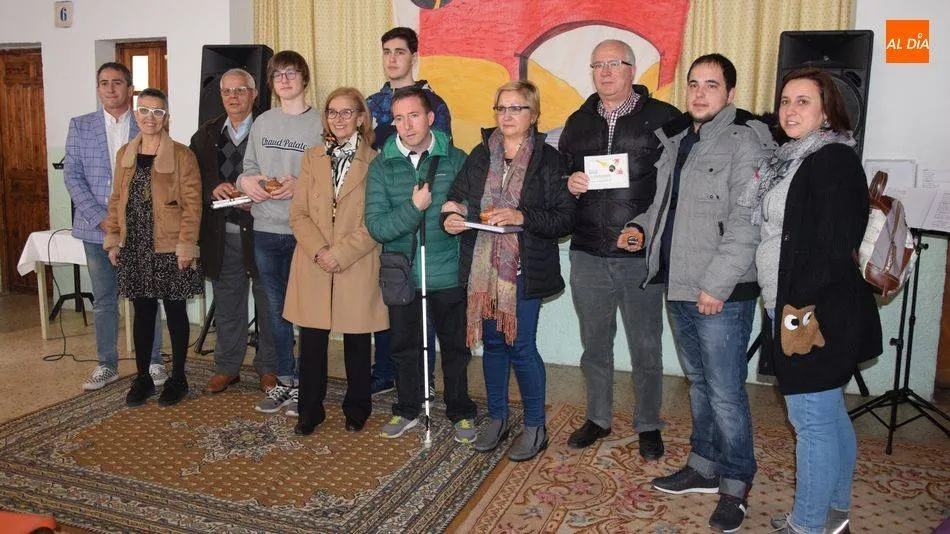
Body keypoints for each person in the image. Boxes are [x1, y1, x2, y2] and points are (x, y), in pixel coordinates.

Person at [622, 54, 776, 532]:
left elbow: (748, 224)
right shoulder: (678, 140)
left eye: (712, 85)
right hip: (680, 283)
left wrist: (717, 284)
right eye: (693, 84)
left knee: (727, 391)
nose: (700, 93)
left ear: (730, 92)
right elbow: (663, 206)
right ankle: (704, 464)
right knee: (700, 382)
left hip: (720, 291)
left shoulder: (745, 142)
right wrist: (638, 227)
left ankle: (735, 482)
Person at [738, 68, 882, 534]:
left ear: (826, 111)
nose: (790, 110)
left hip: (812, 311)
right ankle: (834, 510)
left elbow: (834, 246)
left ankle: (808, 524)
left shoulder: (832, 159)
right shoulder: (793, 157)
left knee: (810, 418)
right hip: (794, 302)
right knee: (826, 411)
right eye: (785, 101)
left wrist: (797, 313)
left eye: (803, 101)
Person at [558, 39, 679, 459]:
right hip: (588, 251)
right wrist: (568, 183)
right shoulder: (576, 122)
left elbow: (675, 188)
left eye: (615, 63)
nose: (606, 72)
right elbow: (560, 177)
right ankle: (598, 418)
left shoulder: (665, 119)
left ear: (633, 70)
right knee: (594, 345)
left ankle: (648, 423)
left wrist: (647, 232)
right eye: (598, 65)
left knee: (646, 346)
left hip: (638, 255)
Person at [442, 80, 574, 461]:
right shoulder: (481, 155)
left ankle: (536, 426)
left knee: (521, 345)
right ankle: (498, 419)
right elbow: (456, 196)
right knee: (494, 345)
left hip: (524, 268)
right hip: (482, 270)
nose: (507, 116)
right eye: (501, 108)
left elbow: (564, 218)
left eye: (516, 108)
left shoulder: (549, 160)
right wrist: (451, 215)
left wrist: (521, 215)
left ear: (533, 115)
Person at [365, 86, 477, 443]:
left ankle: (460, 410)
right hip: (403, 274)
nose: (407, 125)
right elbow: (378, 226)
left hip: (447, 272)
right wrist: (414, 208)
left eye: (414, 116)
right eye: (399, 118)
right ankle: (408, 408)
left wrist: (463, 214)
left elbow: (474, 206)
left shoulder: (456, 158)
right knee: (404, 346)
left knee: (456, 348)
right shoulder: (382, 166)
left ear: (430, 118)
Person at [284, 87, 387, 435]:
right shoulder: (312, 157)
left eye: (347, 112)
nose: (339, 119)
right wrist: (320, 251)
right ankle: (309, 410)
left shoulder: (376, 161)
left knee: (358, 343)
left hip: (355, 262)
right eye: (332, 112)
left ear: (361, 117)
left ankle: (357, 408)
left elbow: (375, 222)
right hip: (313, 261)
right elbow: (298, 214)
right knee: (311, 342)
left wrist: (340, 254)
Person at [64, 62, 165, 391]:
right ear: (98, 88)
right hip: (96, 228)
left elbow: (158, 179)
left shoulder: (146, 124)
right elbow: (73, 177)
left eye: (117, 83)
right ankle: (106, 364)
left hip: (139, 229)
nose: (110, 89)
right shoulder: (80, 126)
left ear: (130, 88)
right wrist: (100, 216)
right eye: (104, 83)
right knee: (105, 299)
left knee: (145, 296)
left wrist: (130, 219)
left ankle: (153, 361)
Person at [103, 88, 203, 407]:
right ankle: (143, 377)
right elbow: (117, 199)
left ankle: (178, 378)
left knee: (175, 311)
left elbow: (192, 205)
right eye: (144, 111)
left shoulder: (183, 155)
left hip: (169, 246)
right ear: (136, 115)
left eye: (157, 112)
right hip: (135, 246)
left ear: (166, 118)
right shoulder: (124, 155)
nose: (150, 118)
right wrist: (115, 239)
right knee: (143, 312)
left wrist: (186, 245)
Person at [366, 26, 452, 395]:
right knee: (390, 302)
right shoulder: (370, 104)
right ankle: (388, 374)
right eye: (386, 51)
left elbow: (439, 160)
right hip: (383, 216)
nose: (392, 59)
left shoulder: (435, 104)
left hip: (423, 218)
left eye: (399, 52)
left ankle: (424, 383)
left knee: (421, 309)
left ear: (413, 56)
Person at [237, 51, 322, 416]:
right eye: (277, 75)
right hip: (266, 228)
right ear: (271, 84)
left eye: (291, 73)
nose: (285, 80)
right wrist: (248, 182)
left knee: (308, 311)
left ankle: (309, 385)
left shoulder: (322, 122)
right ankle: (286, 381)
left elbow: (334, 177)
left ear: (304, 78)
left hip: (307, 231)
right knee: (275, 311)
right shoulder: (262, 123)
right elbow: (248, 168)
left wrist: (300, 183)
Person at [190, 68, 278, 395]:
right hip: (223, 233)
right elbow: (193, 181)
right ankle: (227, 367)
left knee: (270, 302)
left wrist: (258, 194)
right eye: (227, 91)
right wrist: (215, 188)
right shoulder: (205, 135)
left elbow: (287, 174)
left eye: (240, 90)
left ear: (254, 94)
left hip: (266, 229)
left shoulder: (270, 129)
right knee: (227, 303)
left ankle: (270, 367)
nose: (233, 97)